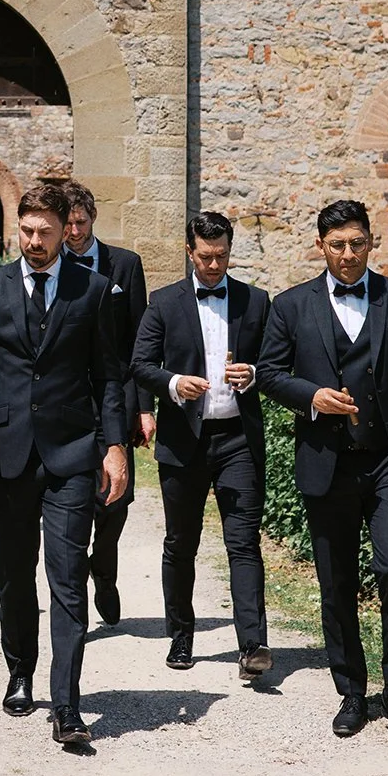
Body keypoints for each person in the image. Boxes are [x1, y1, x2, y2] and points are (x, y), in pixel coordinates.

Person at [255, 200, 388, 739]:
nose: (348, 254)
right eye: (337, 245)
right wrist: (313, 397)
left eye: (357, 243)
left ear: (371, 243)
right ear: (321, 246)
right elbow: (270, 373)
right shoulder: (291, 305)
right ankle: (351, 690)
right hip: (327, 465)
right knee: (336, 582)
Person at [0, 182, 128, 748]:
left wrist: (115, 445)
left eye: (45, 232)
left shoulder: (94, 289)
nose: (34, 242)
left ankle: (68, 706)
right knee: (14, 569)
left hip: (73, 452)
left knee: (67, 577)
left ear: (64, 228)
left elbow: (109, 377)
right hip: (11, 453)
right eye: (25, 232)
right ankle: (21, 669)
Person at [130, 211, 272, 679]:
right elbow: (141, 364)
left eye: (222, 256)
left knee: (243, 542)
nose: (215, 265)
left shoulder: (256, 301)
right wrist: (173, 384)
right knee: (181, 542)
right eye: (206, 257)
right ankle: (181, 633)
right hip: (183, 439)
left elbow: (274, 364)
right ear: (190, 252)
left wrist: (253, 374)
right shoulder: (164, 302)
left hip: (237, 439)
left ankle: (253, 644)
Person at [62, 181, 152, 626]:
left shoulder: (126, 265)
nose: (74, 232)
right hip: (69, 401)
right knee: (75, 501)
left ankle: (105, 566)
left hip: (116, 397)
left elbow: (140, 344)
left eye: (81, 223)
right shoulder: (50, 266)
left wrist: (144, 407)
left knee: (117, 500)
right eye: (69, 224)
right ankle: (74, 590)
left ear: (93, 219)